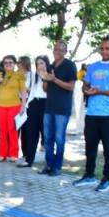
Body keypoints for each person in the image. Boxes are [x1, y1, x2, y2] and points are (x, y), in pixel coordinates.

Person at [73, 36, 109, 192]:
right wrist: (88, 91)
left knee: (108, 148)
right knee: (90, 146)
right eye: (102, 48)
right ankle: (89, 175)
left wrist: (100, 92)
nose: (104, 51)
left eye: (108, 48)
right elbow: (85, 86)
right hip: (92, 112)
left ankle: (106, 179)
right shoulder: (93, 66)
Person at [38, 41, 78, 176]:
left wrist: (54, 79)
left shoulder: (70, 66)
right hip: (49, 107)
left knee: (59, 139)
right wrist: (45, 79)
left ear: (65, 52)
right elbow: (45, 89)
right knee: (48, 138)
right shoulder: (50, 66)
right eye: (56, 50)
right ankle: (49, 164)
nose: (58, 52)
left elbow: (71, 86)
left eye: (61, 50)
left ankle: (58, 166)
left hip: (62, 108)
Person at [0, 55, 27, 162]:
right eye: (6, 63)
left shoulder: (19, 75)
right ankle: (2, 154)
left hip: (14, 106)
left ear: (14, 64)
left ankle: (13, 154)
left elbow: (23, 91)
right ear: (3, 64)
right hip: (1, 106)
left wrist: (23, 106)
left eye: (10, 62)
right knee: (2, 130)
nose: (8, 64)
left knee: (12, 130)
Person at [19, 56, 50, 167]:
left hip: (46, 104)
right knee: (31, 133)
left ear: (46, 64)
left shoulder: (50, 75)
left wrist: (44, 77)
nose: (39, 66)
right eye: (37, 64)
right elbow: (25, 88)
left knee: (46, 134)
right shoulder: (32, 75)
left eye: (42, 63)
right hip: (33, 104)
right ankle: (29, 159)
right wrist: (24, 105)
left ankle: (49, 162)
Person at [17, 56, 32, 163]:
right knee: (15, 128)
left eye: (20, 62)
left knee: (26, 129)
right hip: (14, 101)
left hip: (27, 101)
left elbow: (33, 90)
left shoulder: (31, 75)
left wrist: (24, 88)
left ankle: (26, 152)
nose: (18, 64)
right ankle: (12, 151)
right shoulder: (14, 74)